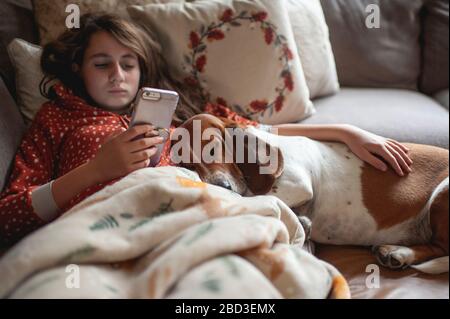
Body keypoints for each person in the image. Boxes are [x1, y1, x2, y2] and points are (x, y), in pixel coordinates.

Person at [0, 13, 412, 247]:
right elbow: (10, 215)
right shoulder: (58, 119)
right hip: (106, 228)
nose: (117, 75)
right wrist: (94, 171)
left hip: (194, 222)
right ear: (77, 68)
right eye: (101, 63)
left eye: (129, 64)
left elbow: (260, 132)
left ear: (143, 70)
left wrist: (347, 132)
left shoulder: (184, 122)